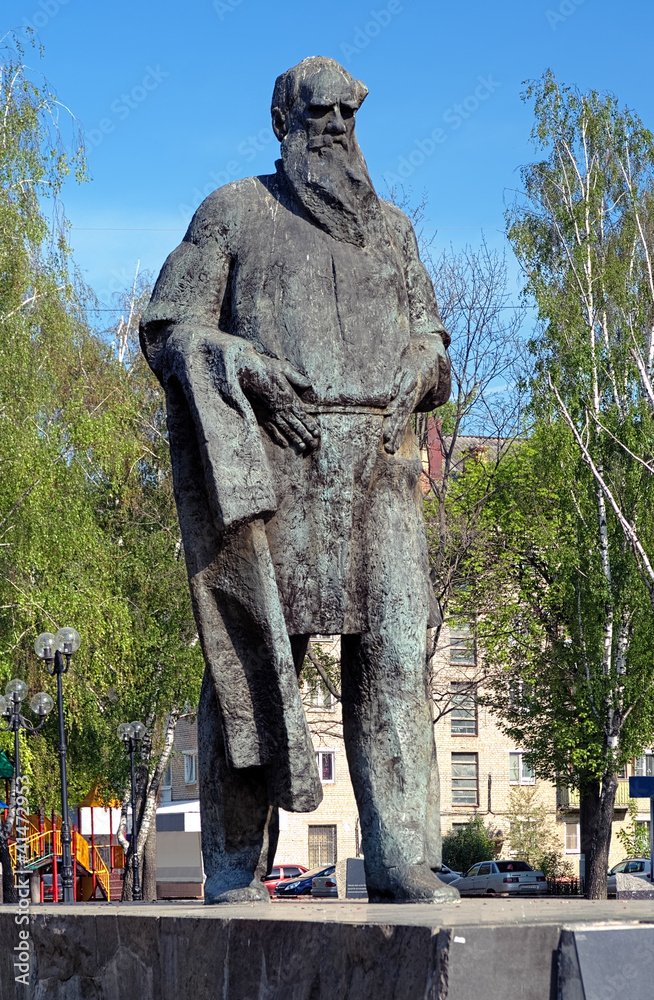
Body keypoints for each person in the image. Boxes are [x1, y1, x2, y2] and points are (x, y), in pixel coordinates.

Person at [140, 56, 457, 904]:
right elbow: (171, 331)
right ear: (284, 121)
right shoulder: (234, 212)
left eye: (350, 115)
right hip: (277, 469)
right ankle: (235, 866)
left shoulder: (392, 232)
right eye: (321, 114)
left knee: (394, 664)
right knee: (253, 665)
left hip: (382, 476)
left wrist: (422, 367)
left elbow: (433, 339)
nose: (338, 129)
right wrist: (241, 362)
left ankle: (400, 861)